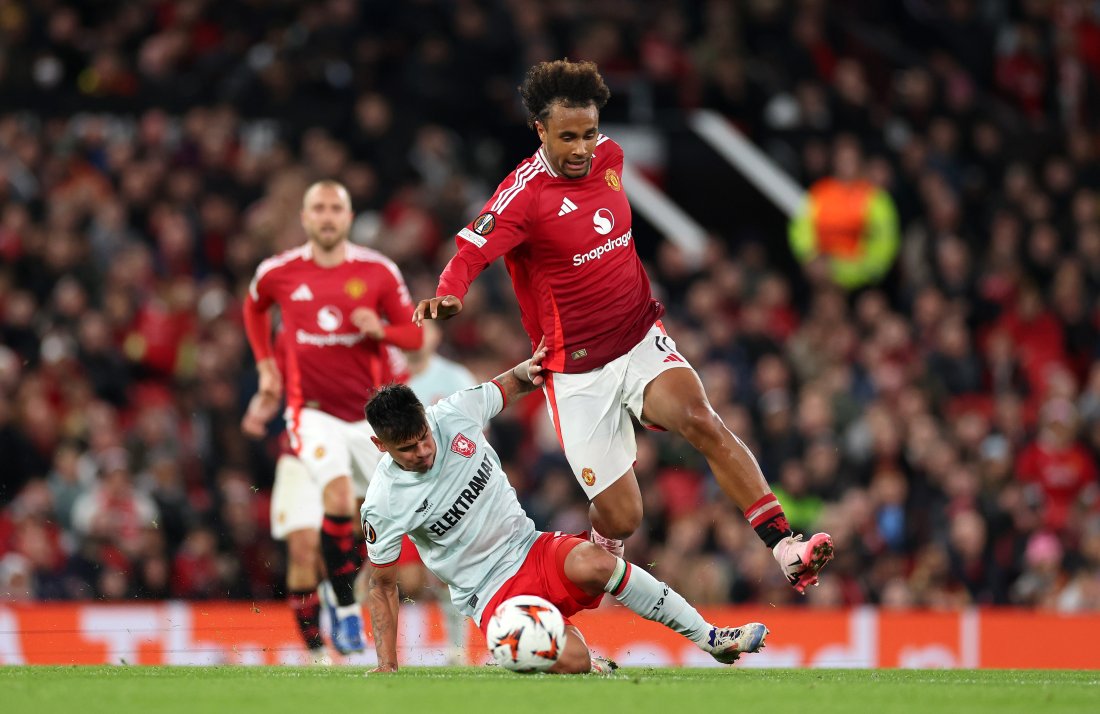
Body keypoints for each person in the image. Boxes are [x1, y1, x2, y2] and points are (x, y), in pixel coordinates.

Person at [413, 59, 832, 593]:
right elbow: (472, 250)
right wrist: (449, 294)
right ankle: (592, 562)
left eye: (589, 132)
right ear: (540, 131)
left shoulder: (610, 157)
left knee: (700, 418)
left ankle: (784, 547)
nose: (582, 148)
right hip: (575, 372)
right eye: (567, 137)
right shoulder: (523, 194)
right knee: (623, 517)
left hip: (638, 339)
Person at [361, 343, 769, 673]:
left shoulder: (452, 414)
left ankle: (710, 638)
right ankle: (589, 667)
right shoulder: (384, 501)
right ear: (381, 446)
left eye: (424, 437)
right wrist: (387, 665)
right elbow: (381, 586)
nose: (424, 450)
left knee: (596, 563)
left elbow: (511, 384)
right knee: (571, 661)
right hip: (491, 595)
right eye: (408, 448)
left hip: (530, 547)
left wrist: (532, 367)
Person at [243, 179, 422, 653]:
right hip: (311, 418)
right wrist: (265, 368)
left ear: (348, 217)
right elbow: (253, 306)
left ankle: (480, 596)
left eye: (335, 209)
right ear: (305, 217)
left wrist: (381, 329)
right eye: (317, 208)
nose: (326, 216)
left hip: (369, 424)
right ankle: (333, 625)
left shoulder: (377, 271)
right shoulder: (279, 272)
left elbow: (416, 337)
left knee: (400, 529)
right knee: (318, 526)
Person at [788, 135, 900, 291]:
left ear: (860, 162)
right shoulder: (819, 192)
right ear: (834, 161)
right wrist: (810, 259)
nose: (846, 165)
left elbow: (884, 248)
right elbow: (801, 230)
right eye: (842, 160)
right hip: (819, 279)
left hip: (861, 285)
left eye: (851, 160)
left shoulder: (876, 198)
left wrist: (841, 270)